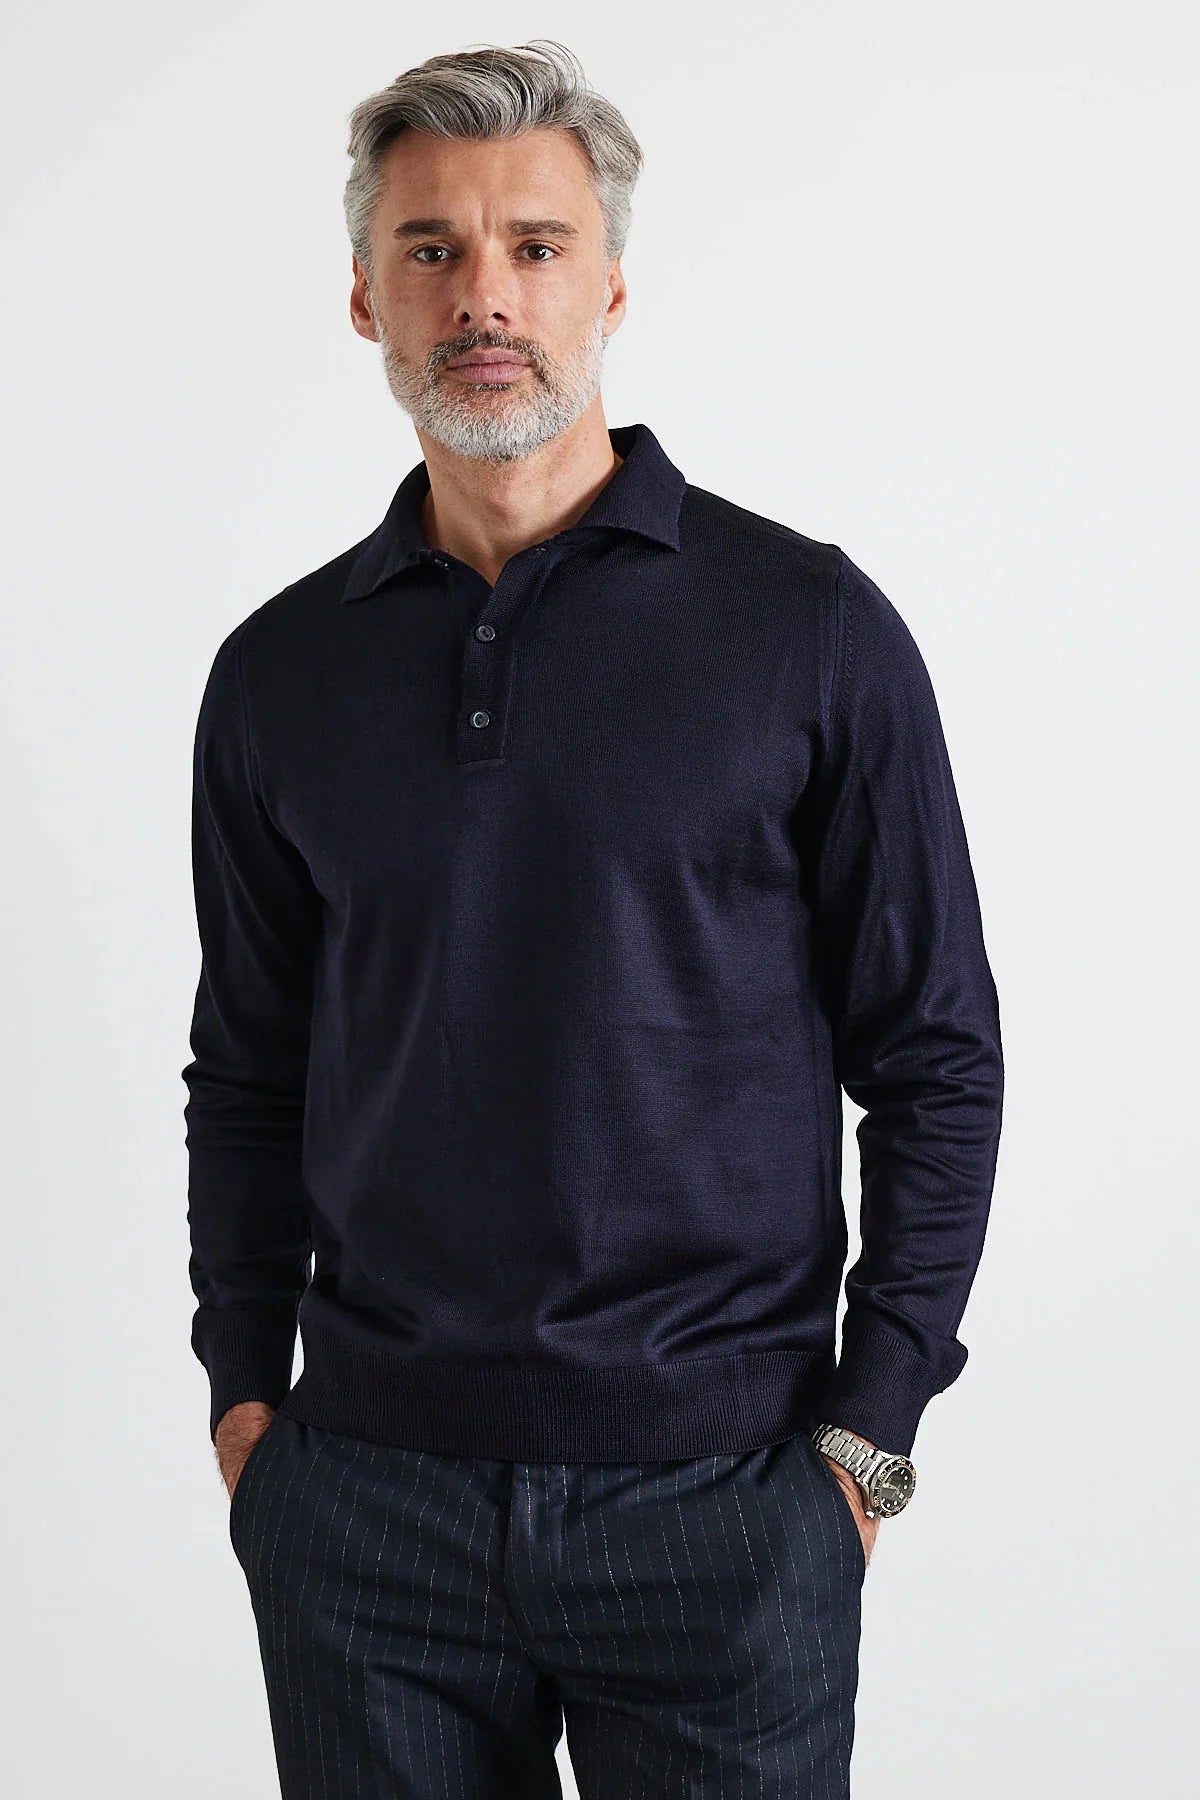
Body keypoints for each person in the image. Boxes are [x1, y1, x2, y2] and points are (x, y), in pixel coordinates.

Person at [181, 37, 1004, 1799]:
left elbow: (936, 1056)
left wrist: (868, 1439)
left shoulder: (808, 629)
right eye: (431, 248)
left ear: (611, 282)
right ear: (364, 296)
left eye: (535, 246)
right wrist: (249, 1406)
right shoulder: (278, 674)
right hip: (366, 1518)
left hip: (728, 1505)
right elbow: (247, 1071)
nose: (485, 294)